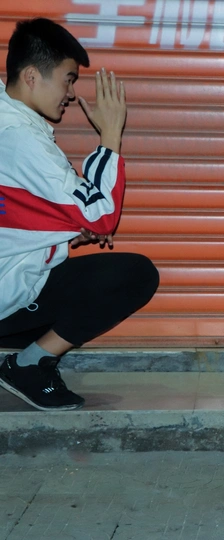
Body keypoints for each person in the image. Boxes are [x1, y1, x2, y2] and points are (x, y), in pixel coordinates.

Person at [0, 18, 159, 411]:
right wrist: (110, 134)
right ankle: (28, 366)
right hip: (9, 295)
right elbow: (101, 216)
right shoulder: (20, 138)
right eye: (68, 80)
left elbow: (19, 210)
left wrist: (67, 229)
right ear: (32, 76)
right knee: (135, 275)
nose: (71, 94)